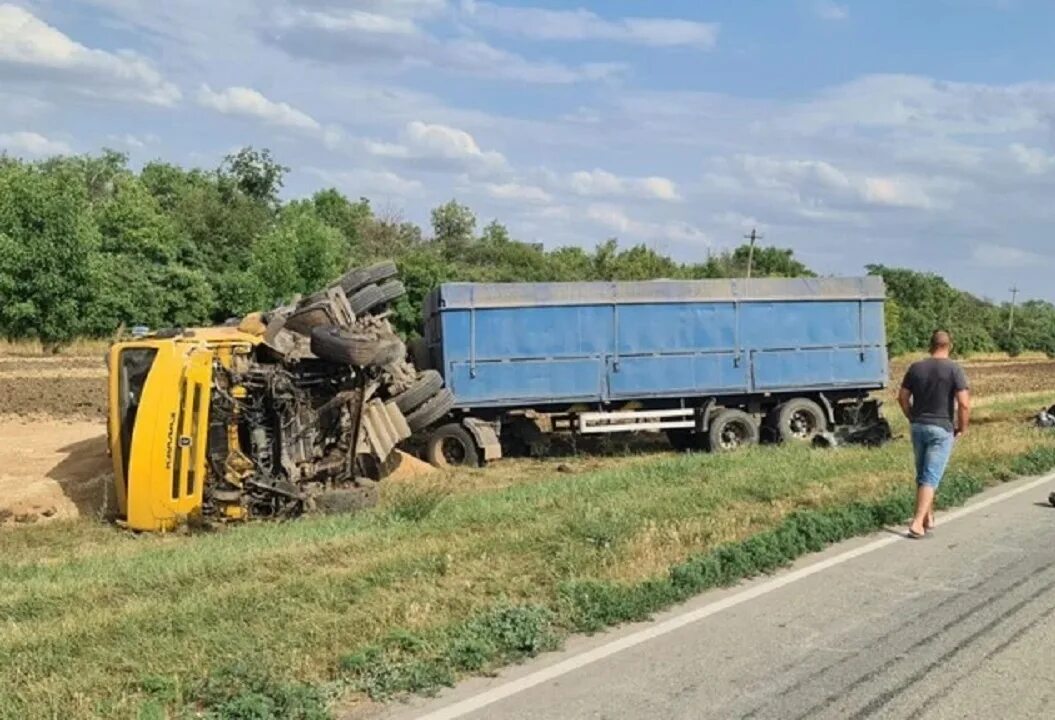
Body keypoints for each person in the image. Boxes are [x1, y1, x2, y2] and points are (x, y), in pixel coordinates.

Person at [898, 330, 971, 538]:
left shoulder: (916, 367)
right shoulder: (954, 369)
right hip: (941, 428)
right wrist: (962, 428)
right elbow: (964, 404)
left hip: (918, 426)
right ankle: (917, 522)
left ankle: (928, 517)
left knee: (922, 473)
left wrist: (911, 417)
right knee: (931, 476)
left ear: (931, 345)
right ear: (950, 346)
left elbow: (902, 397)